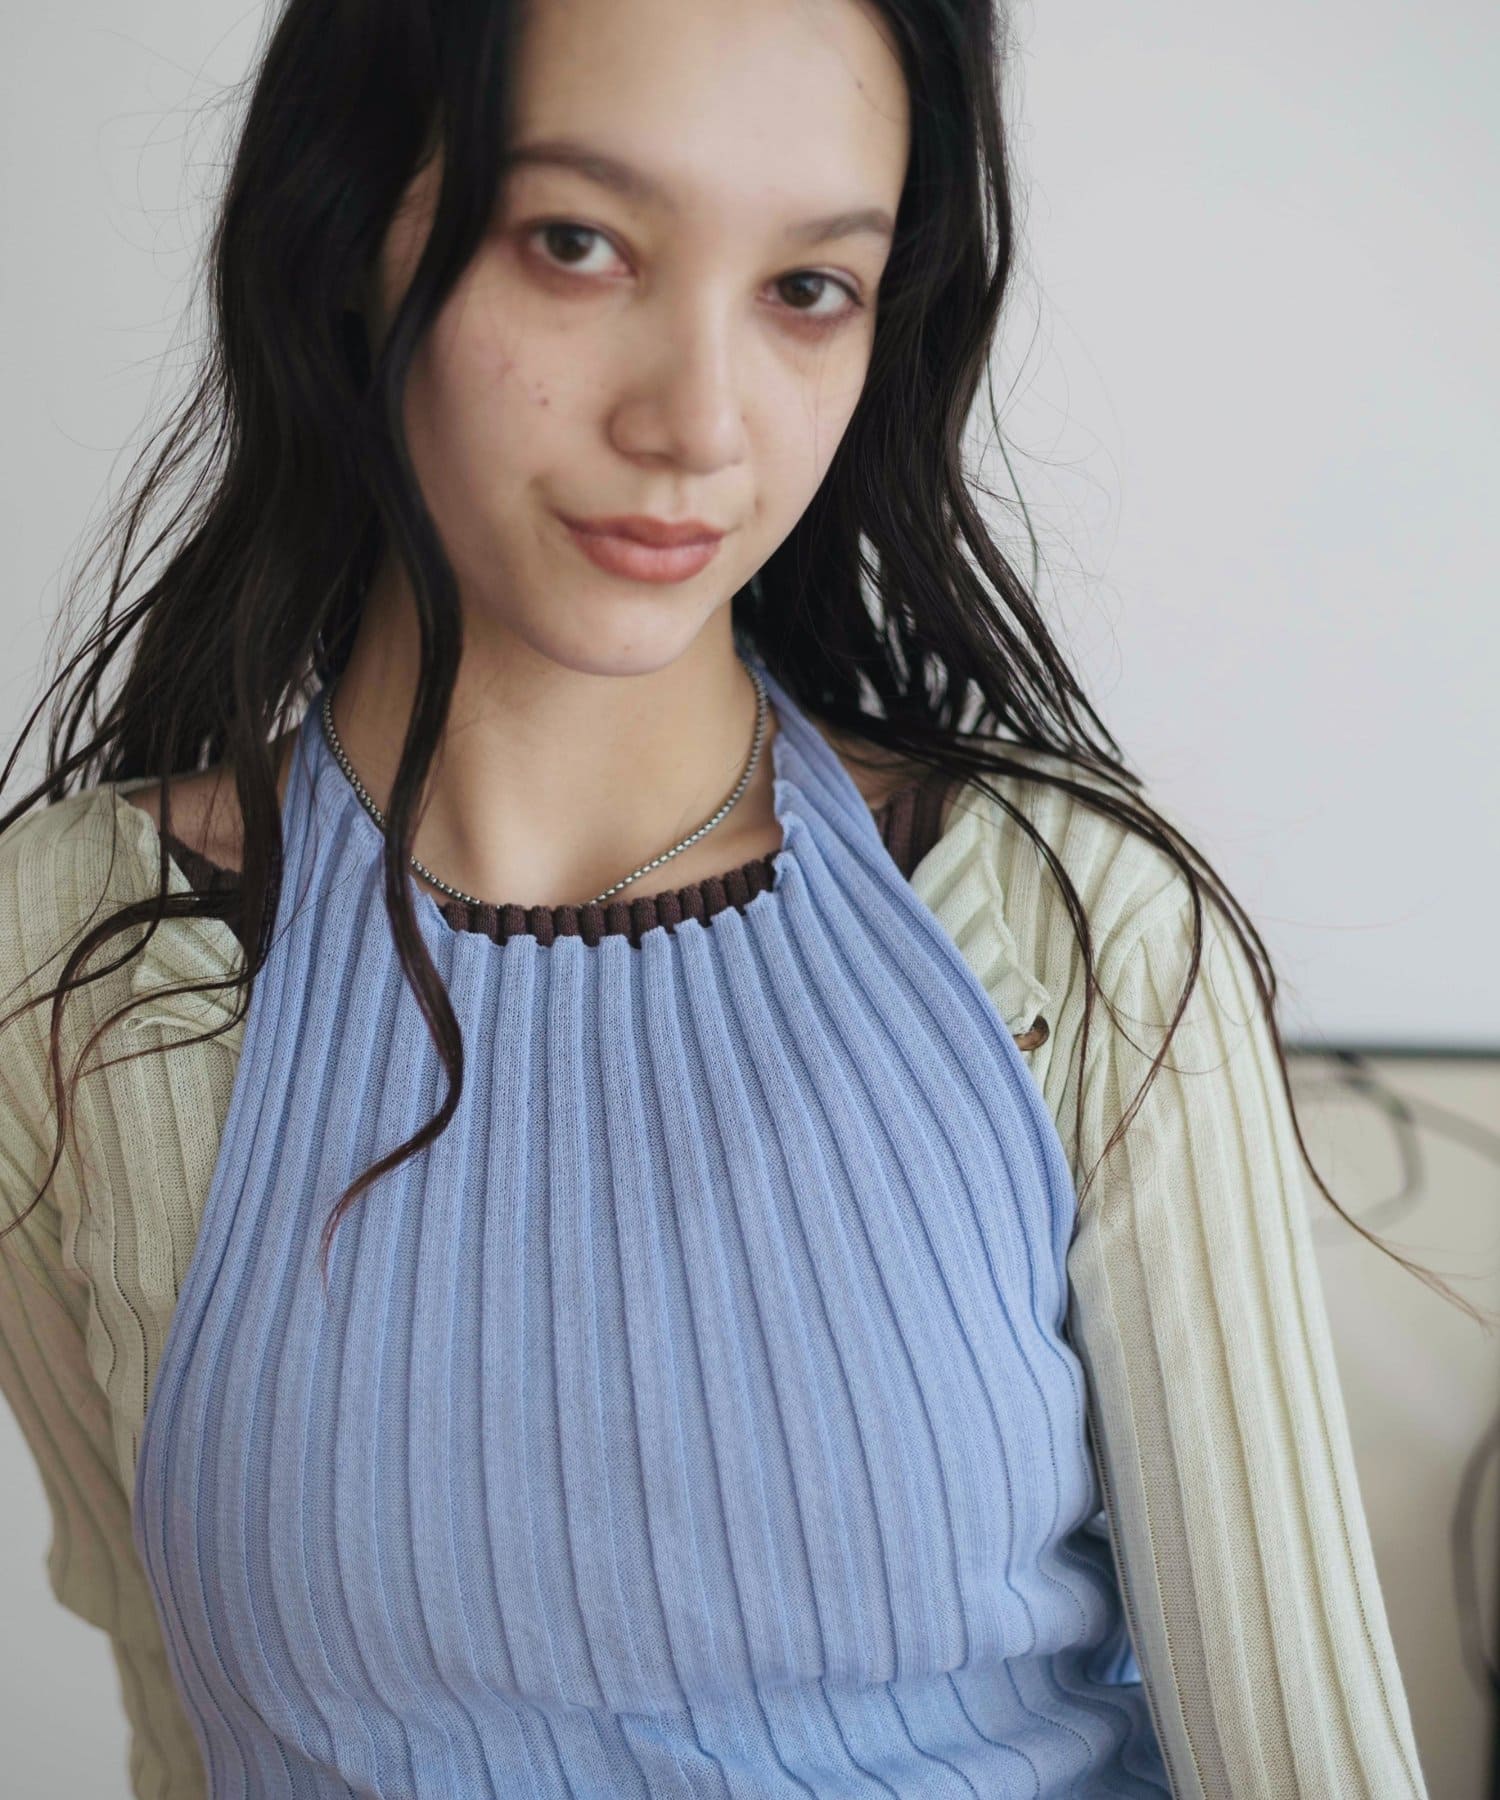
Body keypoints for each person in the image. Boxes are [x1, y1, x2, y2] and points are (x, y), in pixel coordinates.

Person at [0, 0, 1443, 1795]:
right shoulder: (63, 970)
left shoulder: (1075, 930)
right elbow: (191, 1727)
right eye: (576, 244)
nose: (696, 422)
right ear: (344, 228)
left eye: (807, 288)